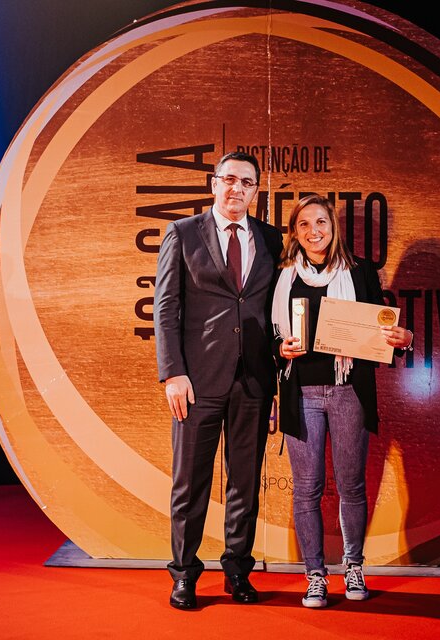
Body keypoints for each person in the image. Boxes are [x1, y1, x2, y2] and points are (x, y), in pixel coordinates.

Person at [154, 151, 283, 610]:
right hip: (197, 381)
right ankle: (184, 575)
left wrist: (278, 369)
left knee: (244, 484)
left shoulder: (270, 238)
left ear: (255, 191)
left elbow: (275, 307)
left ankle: (238, 572)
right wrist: (173, 372)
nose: (236, 189)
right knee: (190, 484)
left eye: (246, 182)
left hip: (254, 381)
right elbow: (166, 307)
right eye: (229, 179)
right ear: (214, 184)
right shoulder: (182, 233)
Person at [271, 193, 413, 608]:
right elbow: (268, 335)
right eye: (304, 224)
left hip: (349, 390)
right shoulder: (282, 277)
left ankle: (353, 566)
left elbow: (380, 332)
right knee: (307, 489)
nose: (313, 231)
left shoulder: (361, 271)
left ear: (333, 227)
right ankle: (315, 575)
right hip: (301, 393)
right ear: (294, 233)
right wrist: (280, 348)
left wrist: (403, 339)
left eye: (321, 222)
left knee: (351, 485)